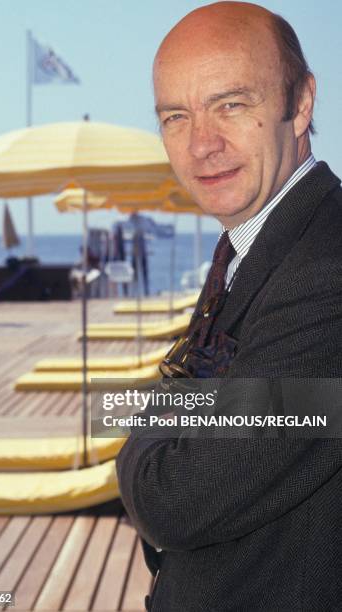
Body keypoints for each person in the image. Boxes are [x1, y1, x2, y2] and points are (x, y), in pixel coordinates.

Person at [116, 2, 342, 610]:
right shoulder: (258, 247)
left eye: (231, 105)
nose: (202, 144)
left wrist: (147, 428)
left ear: (300, 104)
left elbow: (177, 499)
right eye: (175, 116)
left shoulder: (326, 271)